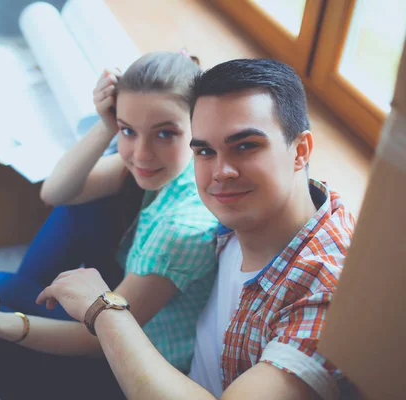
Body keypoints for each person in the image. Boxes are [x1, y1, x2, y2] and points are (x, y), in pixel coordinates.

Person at [34, 58, 357, 399]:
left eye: (246, 146)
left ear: (300, 150)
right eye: (204, 150)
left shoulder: (325, 293)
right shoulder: (249, 200)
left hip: (167, 378)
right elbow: (58, 191)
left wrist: (104, 309)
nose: (221, 171)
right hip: (169, 367)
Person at [0, 51, 219, 399]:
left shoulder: (181, 227)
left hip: (131, 368)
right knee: (82, 206)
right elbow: (57, 191)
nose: (141, 153)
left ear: (199, 126)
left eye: (165, 134)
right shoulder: (177, 164)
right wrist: (106, 126)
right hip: (118, 312)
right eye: (128, 130)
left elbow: (99, 339)